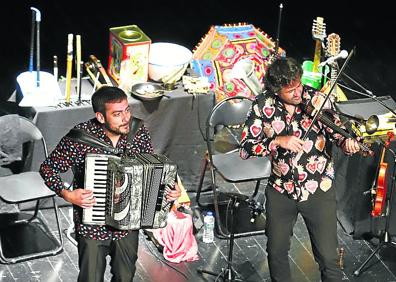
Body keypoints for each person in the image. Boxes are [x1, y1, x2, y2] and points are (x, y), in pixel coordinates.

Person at [40, 86, 181, 282]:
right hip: (92, 225)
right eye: (117, 114)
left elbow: (153, 167)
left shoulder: (137, 132)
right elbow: (48, 169)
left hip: (127, 223)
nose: (125, 118)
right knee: (91, 278)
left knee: (125, 276)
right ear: (100, 117)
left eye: (127, 110)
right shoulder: (80, 139)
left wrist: (170, 187)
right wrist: (67, 194)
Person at [239, 57, 361, 282]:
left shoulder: (317, 100)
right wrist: (276, 141)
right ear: (276, 90)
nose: (298, 94)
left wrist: (349, 144)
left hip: (318, 190)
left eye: (299, 86)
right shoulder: (262, 104)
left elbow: (339, 134)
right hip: (280, 189)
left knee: (328, 258)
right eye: (290, 91)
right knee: (276, 253)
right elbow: (246, 148)